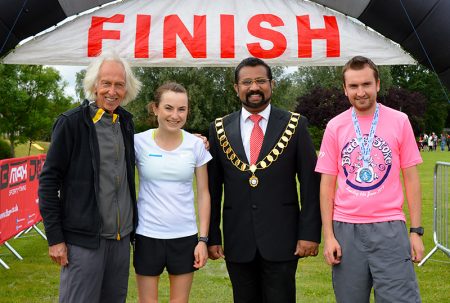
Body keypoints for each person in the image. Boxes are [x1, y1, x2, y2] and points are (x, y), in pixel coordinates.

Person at [207, 57, 321, 303]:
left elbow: (311, 185)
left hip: (283, 239)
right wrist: (212, 236)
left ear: (272, 84)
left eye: (260, 81)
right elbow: (213, 190)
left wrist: (310, 233)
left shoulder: (295, 124)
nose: (254, 87)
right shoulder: (219, 129)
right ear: (236, 88)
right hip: (238, 240)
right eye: (246, 82)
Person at [316, 56, 424, 303]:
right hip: (346, 229)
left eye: (366, 84)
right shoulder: (335, 126)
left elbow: (411, 178)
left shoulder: (399, 121)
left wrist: (416, 232)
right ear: (345, 89)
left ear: (378, 84)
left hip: (389, 227)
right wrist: (329, 236)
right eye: (353, 86)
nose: (360, 92)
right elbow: (326, 186)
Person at [38, 52, 141, 303]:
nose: (112, 91)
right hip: (84, 242)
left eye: (119, 84)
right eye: (106, 83)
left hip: (120, 240)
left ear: (127, 88)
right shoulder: (71, 122)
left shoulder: (126, 122)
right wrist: (55, 238)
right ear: (94, 85)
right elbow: (49, 183)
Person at [133, 82, 211, 303]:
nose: (175, 115)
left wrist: (202, 240)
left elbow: (204, 194)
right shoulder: (138, 142)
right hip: (147, 235)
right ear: (155, 108)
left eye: (181, 109)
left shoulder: (196, 146)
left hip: (185, 237)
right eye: (168, 108)